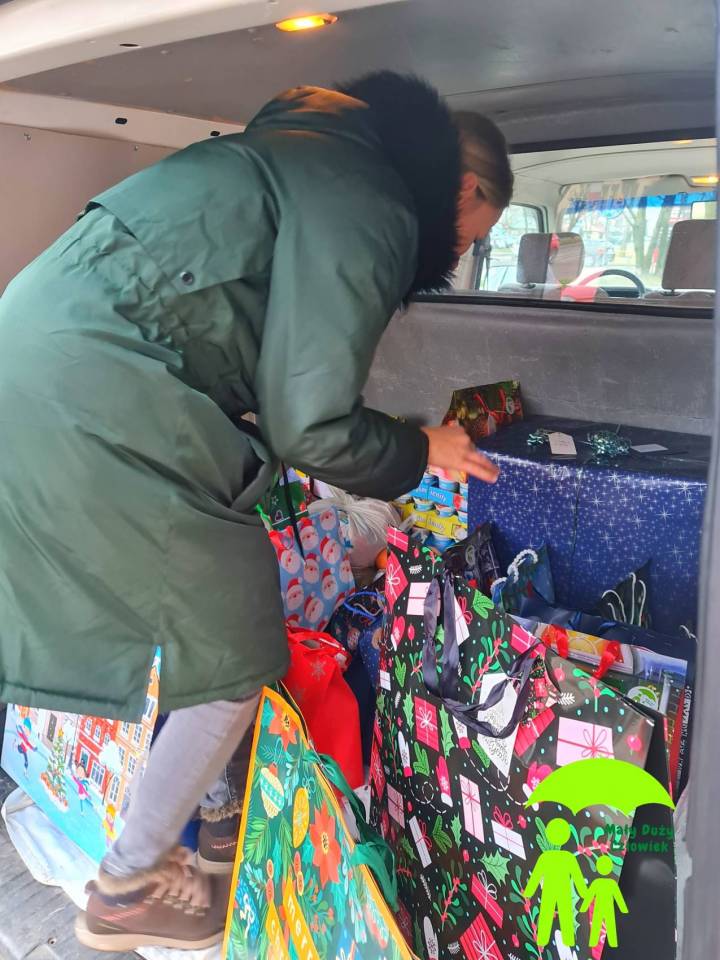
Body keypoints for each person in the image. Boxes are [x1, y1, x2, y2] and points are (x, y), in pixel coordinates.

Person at [0, 70, 513, 950]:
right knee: (237, 645)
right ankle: (129, 884)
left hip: (36, 363)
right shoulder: (374, 200)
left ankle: (213, 832)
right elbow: (312, 426)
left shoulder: (301, 152)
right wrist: (421, 447)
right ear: (463, 192)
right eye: (476, 236)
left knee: (174, 630)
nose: (462, 255)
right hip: (100, 395)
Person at [523, 818, 589, 947]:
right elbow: (577, 876)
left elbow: (536, 875)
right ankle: (568, 939)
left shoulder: (545, 857)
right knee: (565, 912)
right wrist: (584, 892)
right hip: (562, 888)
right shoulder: (568, 857)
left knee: (546, 912)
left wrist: (529, 892)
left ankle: (543, 939)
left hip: (550, 888)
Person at [580, 854, 629, 948]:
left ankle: (594, 941)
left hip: (599, 905)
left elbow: (589, 896)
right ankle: (612, 942)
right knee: (609, 923)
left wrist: (584, 907)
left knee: (597, 923)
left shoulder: (597, 883)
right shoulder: (611, 883)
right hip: (607, 906)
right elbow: (618, 897)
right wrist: (623, 909)